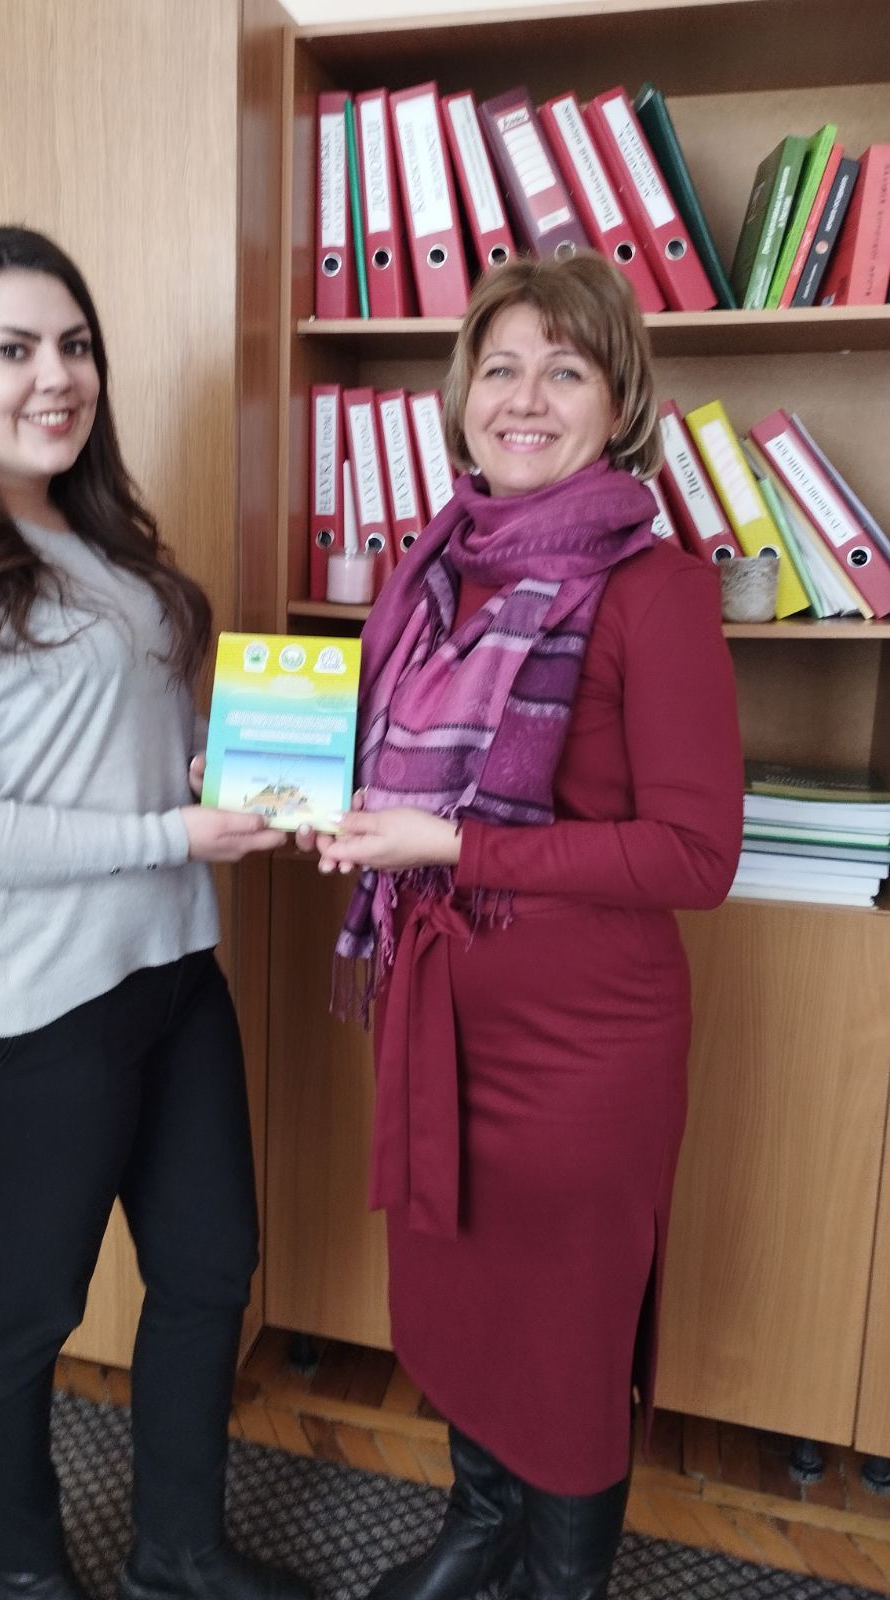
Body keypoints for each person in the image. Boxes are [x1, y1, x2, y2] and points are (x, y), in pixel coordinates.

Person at [0, 226, 307, 1600]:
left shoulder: (98, 533)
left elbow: (119, 745)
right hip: (19, 1008)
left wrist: (230, 773)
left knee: (209, 1271)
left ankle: (177, 1554)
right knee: (24, 1314)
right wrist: (167, 834)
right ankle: (20, 1577)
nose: (57, 376)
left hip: (169, 967)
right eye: (15, 349)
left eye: (75, 345)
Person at [301, 254, 743, 1600]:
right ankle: (480, 1529)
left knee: (562, 1342)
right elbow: (384, 769)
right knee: (457, 1302)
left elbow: (694, 856)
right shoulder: (429, 569)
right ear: (462, 396)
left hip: (582, 1056)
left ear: (618, 403)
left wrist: (452, 845)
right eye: (499, 368)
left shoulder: (656, 588)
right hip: (435, 1017)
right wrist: (309, 807)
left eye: (565, 369)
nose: (526, 398)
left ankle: (558, 1585)